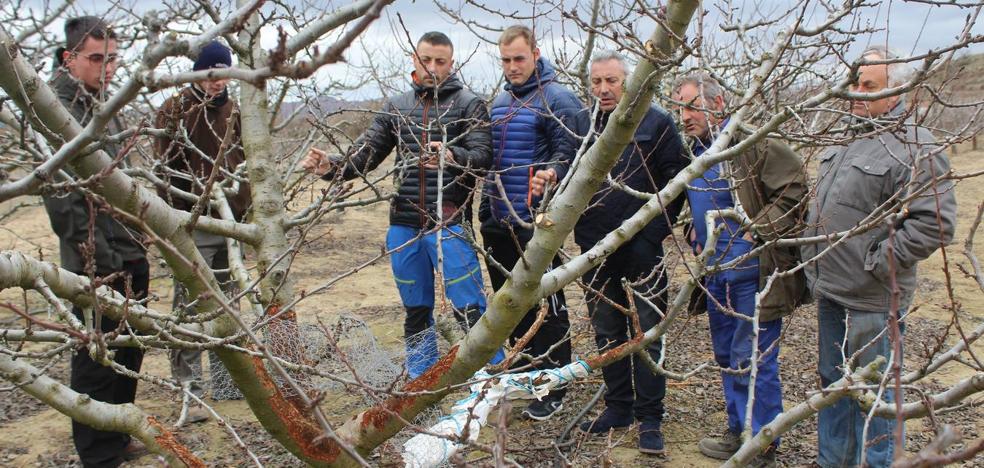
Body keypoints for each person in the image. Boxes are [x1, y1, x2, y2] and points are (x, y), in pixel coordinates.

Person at [301, 31, 502, 379]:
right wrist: (331, 167)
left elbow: (484, 157)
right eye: (427, 60)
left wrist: (451, 156)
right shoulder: (396, 106)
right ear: (414, 59)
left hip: (450, 222)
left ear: (451, 64)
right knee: (416, 308)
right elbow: (366, 155)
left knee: (469, 306)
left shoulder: (470, 105)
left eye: (441, 62)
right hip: (404, 225)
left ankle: (493, 378)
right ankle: (420, 379)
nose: (433, 68)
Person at [803, 46, 956, 468]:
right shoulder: (846, 137)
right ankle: (832, 462)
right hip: (831, 290)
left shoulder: (914, 144)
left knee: (874, 397)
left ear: (896, 90)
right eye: (854, 83)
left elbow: (936, 224)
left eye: (868, 85)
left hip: (872, 299)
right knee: (834, 386)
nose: (857, 92)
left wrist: (876, 261)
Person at [672, 72, 808, 467]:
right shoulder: (700, 151)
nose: (683, 115)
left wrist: (756, 232)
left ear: (717, 104)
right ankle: (739, 429)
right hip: (716, 275)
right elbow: (706, 204)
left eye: (691, 105)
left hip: (752, 275)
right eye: (679, 106)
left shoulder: (753, 143)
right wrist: (695, 233)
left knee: (754, 357)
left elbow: (794, 190)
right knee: (727, 355)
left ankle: (761, 442)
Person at [44, 16, 148, 467]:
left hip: (127, 248)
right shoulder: (54, 108)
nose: (107, 68)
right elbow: (63, 203)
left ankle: (117, 434)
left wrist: (136, 244)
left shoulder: (101, 103)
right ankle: (97, 452)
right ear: (70, 58)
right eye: (96, 59)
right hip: (92, 258)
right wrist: (98, 261)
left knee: (130, 347)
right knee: (95, 354)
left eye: (113, 59)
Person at [573, 51, 688, 455]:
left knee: (648, 333)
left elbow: (677, 182)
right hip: (595, 249)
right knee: (607, 331)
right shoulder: (583, 124)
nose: (604, 89)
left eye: (612, 81)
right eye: (597, 82)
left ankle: (650, 417)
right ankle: (618, 407)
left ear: (629, 83)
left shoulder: (656, 123)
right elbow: (572, 179)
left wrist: (652, 235)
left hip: (641, 249)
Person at [478, 24, 583, 421]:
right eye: (505, 60)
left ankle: (554, 386)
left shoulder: (559, 98)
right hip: (498, 220)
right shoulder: (501, 101)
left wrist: (552, 175)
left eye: (518, 58)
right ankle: (526, 373)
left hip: (536, 223)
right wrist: (487, 210)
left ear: (535, 54)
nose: (511, 67)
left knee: (547, 306)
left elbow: (573, 154)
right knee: (511, 305)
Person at [154, 40, 251, 418]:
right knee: (191, 305)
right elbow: (165, 170)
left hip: (233, 224)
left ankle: (228, 382)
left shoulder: (235, 110)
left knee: (228, 305)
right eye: (212, 72)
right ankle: (189, 389)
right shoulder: (175, 110)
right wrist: (178, 219)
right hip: (192, 222)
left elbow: (246, 159)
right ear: (199, 71)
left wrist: (247, 210)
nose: (219, 80)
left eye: (225, 71)